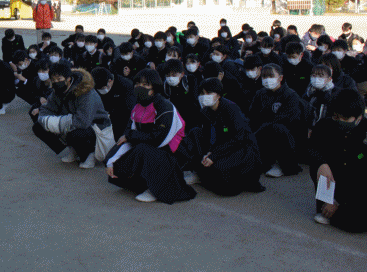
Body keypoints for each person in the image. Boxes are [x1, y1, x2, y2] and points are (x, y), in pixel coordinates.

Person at [103, 69, 196, 204]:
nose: (140, 87)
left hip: (172, 153)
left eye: (145, 85)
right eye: (137, 84)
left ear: (154, 88)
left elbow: (158, 139)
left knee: (142, 149)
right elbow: (126, 137)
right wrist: (110, 161)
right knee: (118, 163)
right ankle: (142, 184)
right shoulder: (137, 107)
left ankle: (155, 189)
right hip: (150, 148)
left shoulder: (164, 107)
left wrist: (131, 136)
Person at [179, 78, 264, 196]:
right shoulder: (206, 112)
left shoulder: (231, 109)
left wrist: (214, 155)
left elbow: (238, 138)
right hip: (222, 147)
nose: (205, 96)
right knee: (195, 133)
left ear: (219, 95)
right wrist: (209, 153)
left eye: (209, 93)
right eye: (202, 93)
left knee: (223, 180)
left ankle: (212, 176)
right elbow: (209, 137)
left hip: (242, 149)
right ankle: (199, 171)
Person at [307, 89, 367, 232]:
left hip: (358, 186)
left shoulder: (364, 131)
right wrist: (321, 163)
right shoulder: (324, 126)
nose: (340, 121)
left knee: (356, 221)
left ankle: (338, 210)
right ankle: (328, 205)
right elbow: (312, 149)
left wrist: (340, 202)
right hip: (332, 180)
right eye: (336, 117)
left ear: (358, 117)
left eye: (345, 119)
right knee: (319, 164)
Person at [34, 63, 110, 169]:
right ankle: (72, 149)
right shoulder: (57, 91)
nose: (56, 82)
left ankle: (89, 154)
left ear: (68, 78)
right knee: (38, 126)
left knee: (77, 132)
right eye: (53, 80)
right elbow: (46, 108)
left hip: (95, 126)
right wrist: (46, 120)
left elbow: (83, 122)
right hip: (71, 120)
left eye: (59, 79)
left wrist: (57, 123)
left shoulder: (86, 92)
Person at [249, 63, 308, 178]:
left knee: (277, 129)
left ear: (280, 78)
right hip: (263, 131)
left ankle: (284, 165)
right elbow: (253, 115)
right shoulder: (260, 94)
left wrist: (262, 128)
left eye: (271, 76)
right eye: (264, 76)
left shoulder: (290, 95)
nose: (267, 80)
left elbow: (290, 119)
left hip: (285, 133)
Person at [91, 67, 135, 141]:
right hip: (107, 119)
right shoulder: (97, 84)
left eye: (103, 88)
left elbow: (130, 111)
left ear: (110, 81)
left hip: (123, 119)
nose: (102, 91)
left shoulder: (126, 85)